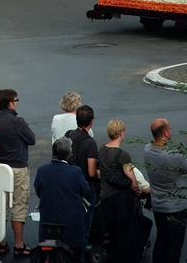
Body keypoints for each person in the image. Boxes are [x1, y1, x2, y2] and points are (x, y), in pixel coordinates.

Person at [0, 88, 35, 257]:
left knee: (1, 206)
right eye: (16, 100)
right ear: (10, 103)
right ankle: (19, 244)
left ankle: (1, 242)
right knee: (19, 205)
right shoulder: (17, 122)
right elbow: (31, 139)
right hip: (17, 167)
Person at [34, 136, 90, 263]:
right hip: (70, 226)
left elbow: (38, 192)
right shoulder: (75, 172)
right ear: (68, 154)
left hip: (47, 224)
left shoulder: (42, 170)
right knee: (76, 255)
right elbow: (85, 190)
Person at [144, 118, 187, 263]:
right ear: (166, 132)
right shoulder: (175, 155)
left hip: (158, 204)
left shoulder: (147, 150)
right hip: (176, 207)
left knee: (161, 239)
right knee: (174, 244)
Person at [98, 119, 139, 263]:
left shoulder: (101, 149)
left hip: (105, 197)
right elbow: (133, 180)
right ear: (122, 133)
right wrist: (137, 190)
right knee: (123, 235)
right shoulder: (123, 155)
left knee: (112, 232)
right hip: (121, 198)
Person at [66, 106, 100, 262]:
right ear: (91, 121)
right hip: (85, 190)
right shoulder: (90, 143)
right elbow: (92, 172)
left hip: (68, 186)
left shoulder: (68, 135)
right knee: (83, 229)